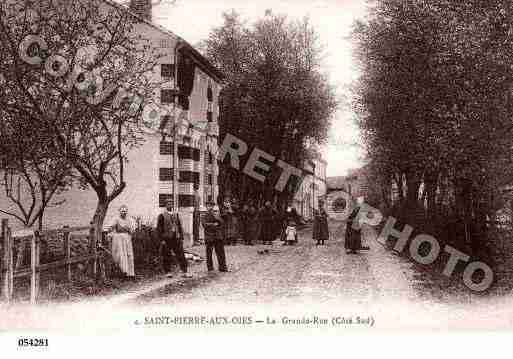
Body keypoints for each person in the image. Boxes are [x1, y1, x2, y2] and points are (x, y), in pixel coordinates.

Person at [156, 199, 192, 278]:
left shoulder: (176, 214)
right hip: (167, 238)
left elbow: (179, 226)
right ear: (165, 205)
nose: (170, 205)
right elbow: (159, 229)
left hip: (176, 237)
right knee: (167, 255)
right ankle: (168, 271)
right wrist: (161, 240)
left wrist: (181, 236)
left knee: (180, 254)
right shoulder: (162, 215)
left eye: (171, 203)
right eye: (168, 204)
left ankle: (184, 271)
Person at [109, 205, 136, 280]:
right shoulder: (116, 219)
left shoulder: (129, 220)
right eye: (122, 211)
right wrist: (111, 231)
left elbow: (132, 230)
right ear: (119, 212)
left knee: (129, 254)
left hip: (127, 238)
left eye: (125, 211)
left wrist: (129, 230)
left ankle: (130, 273)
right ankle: (123, 272)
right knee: (121, 255)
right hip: (119, 240)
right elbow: (110, 227)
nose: (123, 212)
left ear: (126, 212)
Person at [201, 200, 228, 272]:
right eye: (208, 206)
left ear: (213, 206)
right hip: (209, 236)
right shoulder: (204, 215)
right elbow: (204, 224)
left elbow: (222, 223)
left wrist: (216, 220)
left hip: (217, 236)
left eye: (211, 206)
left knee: (220, 252)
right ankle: (210, 267)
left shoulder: (216, 214)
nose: (210, 207)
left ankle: (222, 267)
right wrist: (213, 224)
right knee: (209, 253)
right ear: (206, 206)